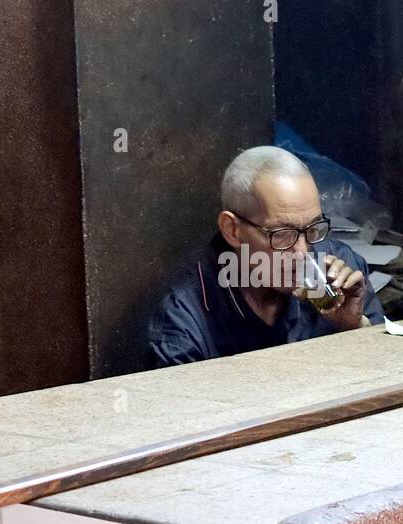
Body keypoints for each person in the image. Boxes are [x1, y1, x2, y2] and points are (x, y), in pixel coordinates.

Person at [148, 146, 384, 367]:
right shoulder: (186, 320)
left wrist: (353, 327)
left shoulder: (338, 274)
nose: (302, 251)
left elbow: (387, 378)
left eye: (312, 228)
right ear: (233, 230)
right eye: (282, 234)